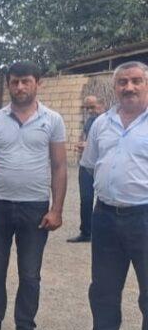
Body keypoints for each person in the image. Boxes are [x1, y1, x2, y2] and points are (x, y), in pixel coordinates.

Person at [0, 62, 67, 330]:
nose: (20, 87)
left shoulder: (53, 120)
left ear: (38, 83)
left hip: (35, 207)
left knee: (30, 273)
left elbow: (59, 166)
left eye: (25, 81)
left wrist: (57, 209)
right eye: (14, 82)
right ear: (8, 84)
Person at [76, 61, 148, 330]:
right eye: (123, 82)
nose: (129, 87)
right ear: (115, 87)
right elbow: (91, 163)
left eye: (136, 81)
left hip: (144, 215)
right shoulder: (102, 123)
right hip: (105, 214)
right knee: (103, 284)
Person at [68, 94, 106, 243]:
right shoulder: (90, 120)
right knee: (86, 199)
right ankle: (86, 232)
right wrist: (81, 144)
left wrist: (88, 145)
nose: (90, 110)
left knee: (104, 200)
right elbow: (84, 137)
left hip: (101, 166)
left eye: (92, 107)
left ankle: (103, 232)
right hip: (86, 165)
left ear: (102, 105)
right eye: (87, 108)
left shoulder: (109, 122)